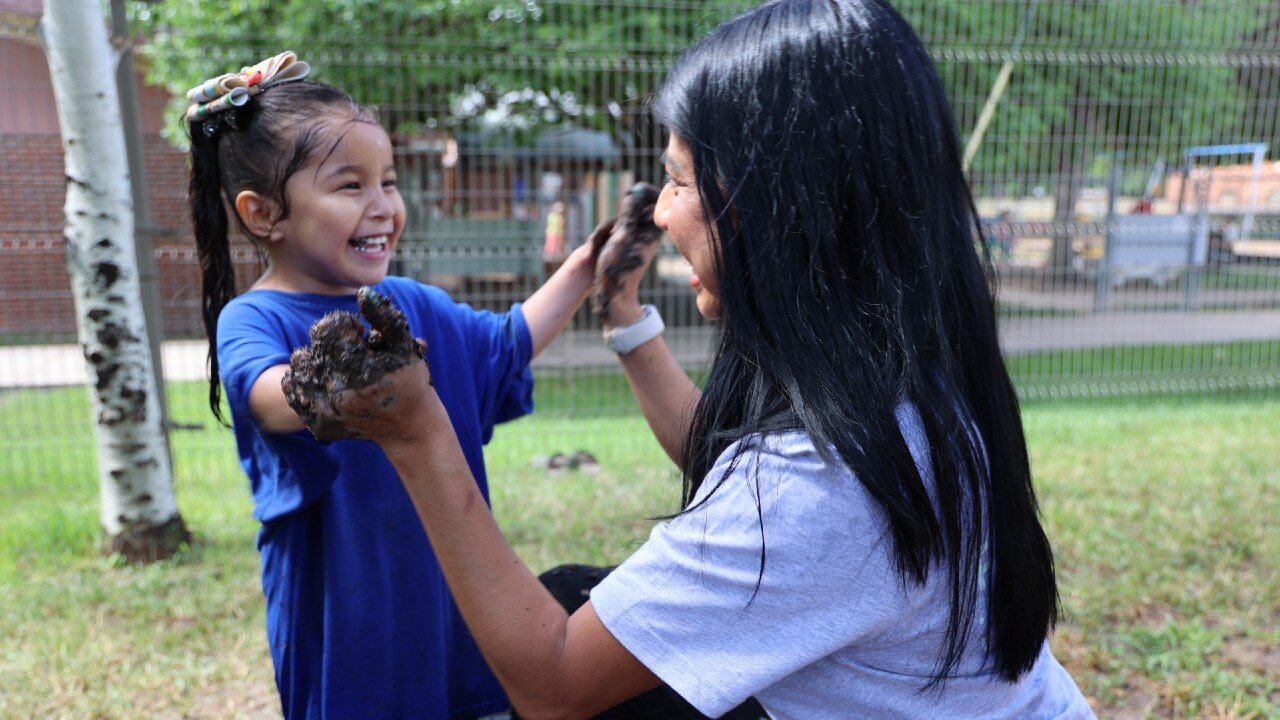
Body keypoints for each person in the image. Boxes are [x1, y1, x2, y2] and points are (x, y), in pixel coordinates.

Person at [282, 1, 1097, 717]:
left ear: (776, 207)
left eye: (676, 179)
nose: (663, 210)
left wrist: (419, 436)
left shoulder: (817, 485)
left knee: (563, 636)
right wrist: (628, 317)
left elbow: (554, 686)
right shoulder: (908, 379)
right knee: (572, 592)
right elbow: (728, 457)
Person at [186, 52, 606, 719]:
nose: (383, 205)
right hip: (345, 616)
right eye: (350, 186)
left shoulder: (412, 302)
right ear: (264, 213)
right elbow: (263, 397)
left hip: (450, 597)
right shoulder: (253, 318)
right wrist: (327, 385)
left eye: (389, 181)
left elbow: (506, 342)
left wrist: (587, 266)